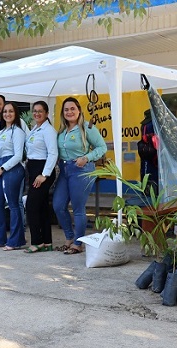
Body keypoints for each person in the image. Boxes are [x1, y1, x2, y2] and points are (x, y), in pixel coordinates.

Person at [53, 97, 107, 255]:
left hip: (81, 170)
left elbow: (102, 147)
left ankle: (77, 243)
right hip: (64, 170)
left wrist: (87, 158)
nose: (69, 112)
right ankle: (69, 238)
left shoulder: (86, 127)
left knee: (78, 208)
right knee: (58, 205)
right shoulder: (62, 130)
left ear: (79, 110)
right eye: (66, 109)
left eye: (72, 109)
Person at [0, 102, 26, 251]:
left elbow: (18, 155)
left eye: (11, 111)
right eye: (5, 111)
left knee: (13, 204)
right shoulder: (2, 130)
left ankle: (16, 240)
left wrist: (3, 168)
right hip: (1, 166)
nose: (7, 114)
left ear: (15, 113)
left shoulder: (18, 131)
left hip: (13, 168)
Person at [24, 101, 58, 253]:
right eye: (35, 111)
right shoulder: (35, 129)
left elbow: (53, 153)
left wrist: (44, 174)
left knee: (31, 206)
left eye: (40, 111)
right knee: (42, 207)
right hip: (33, 169)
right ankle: (46, 242)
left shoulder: (48, 130)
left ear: (46, 113)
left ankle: (37, 241)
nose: (37, 114)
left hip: (42, 170)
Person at [137, 109, 159, 197]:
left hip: (147, 154)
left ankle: (147, 195)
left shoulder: (144, 125)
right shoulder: (151, 124)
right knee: (151, 178)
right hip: (152, 153)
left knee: (146, 176)